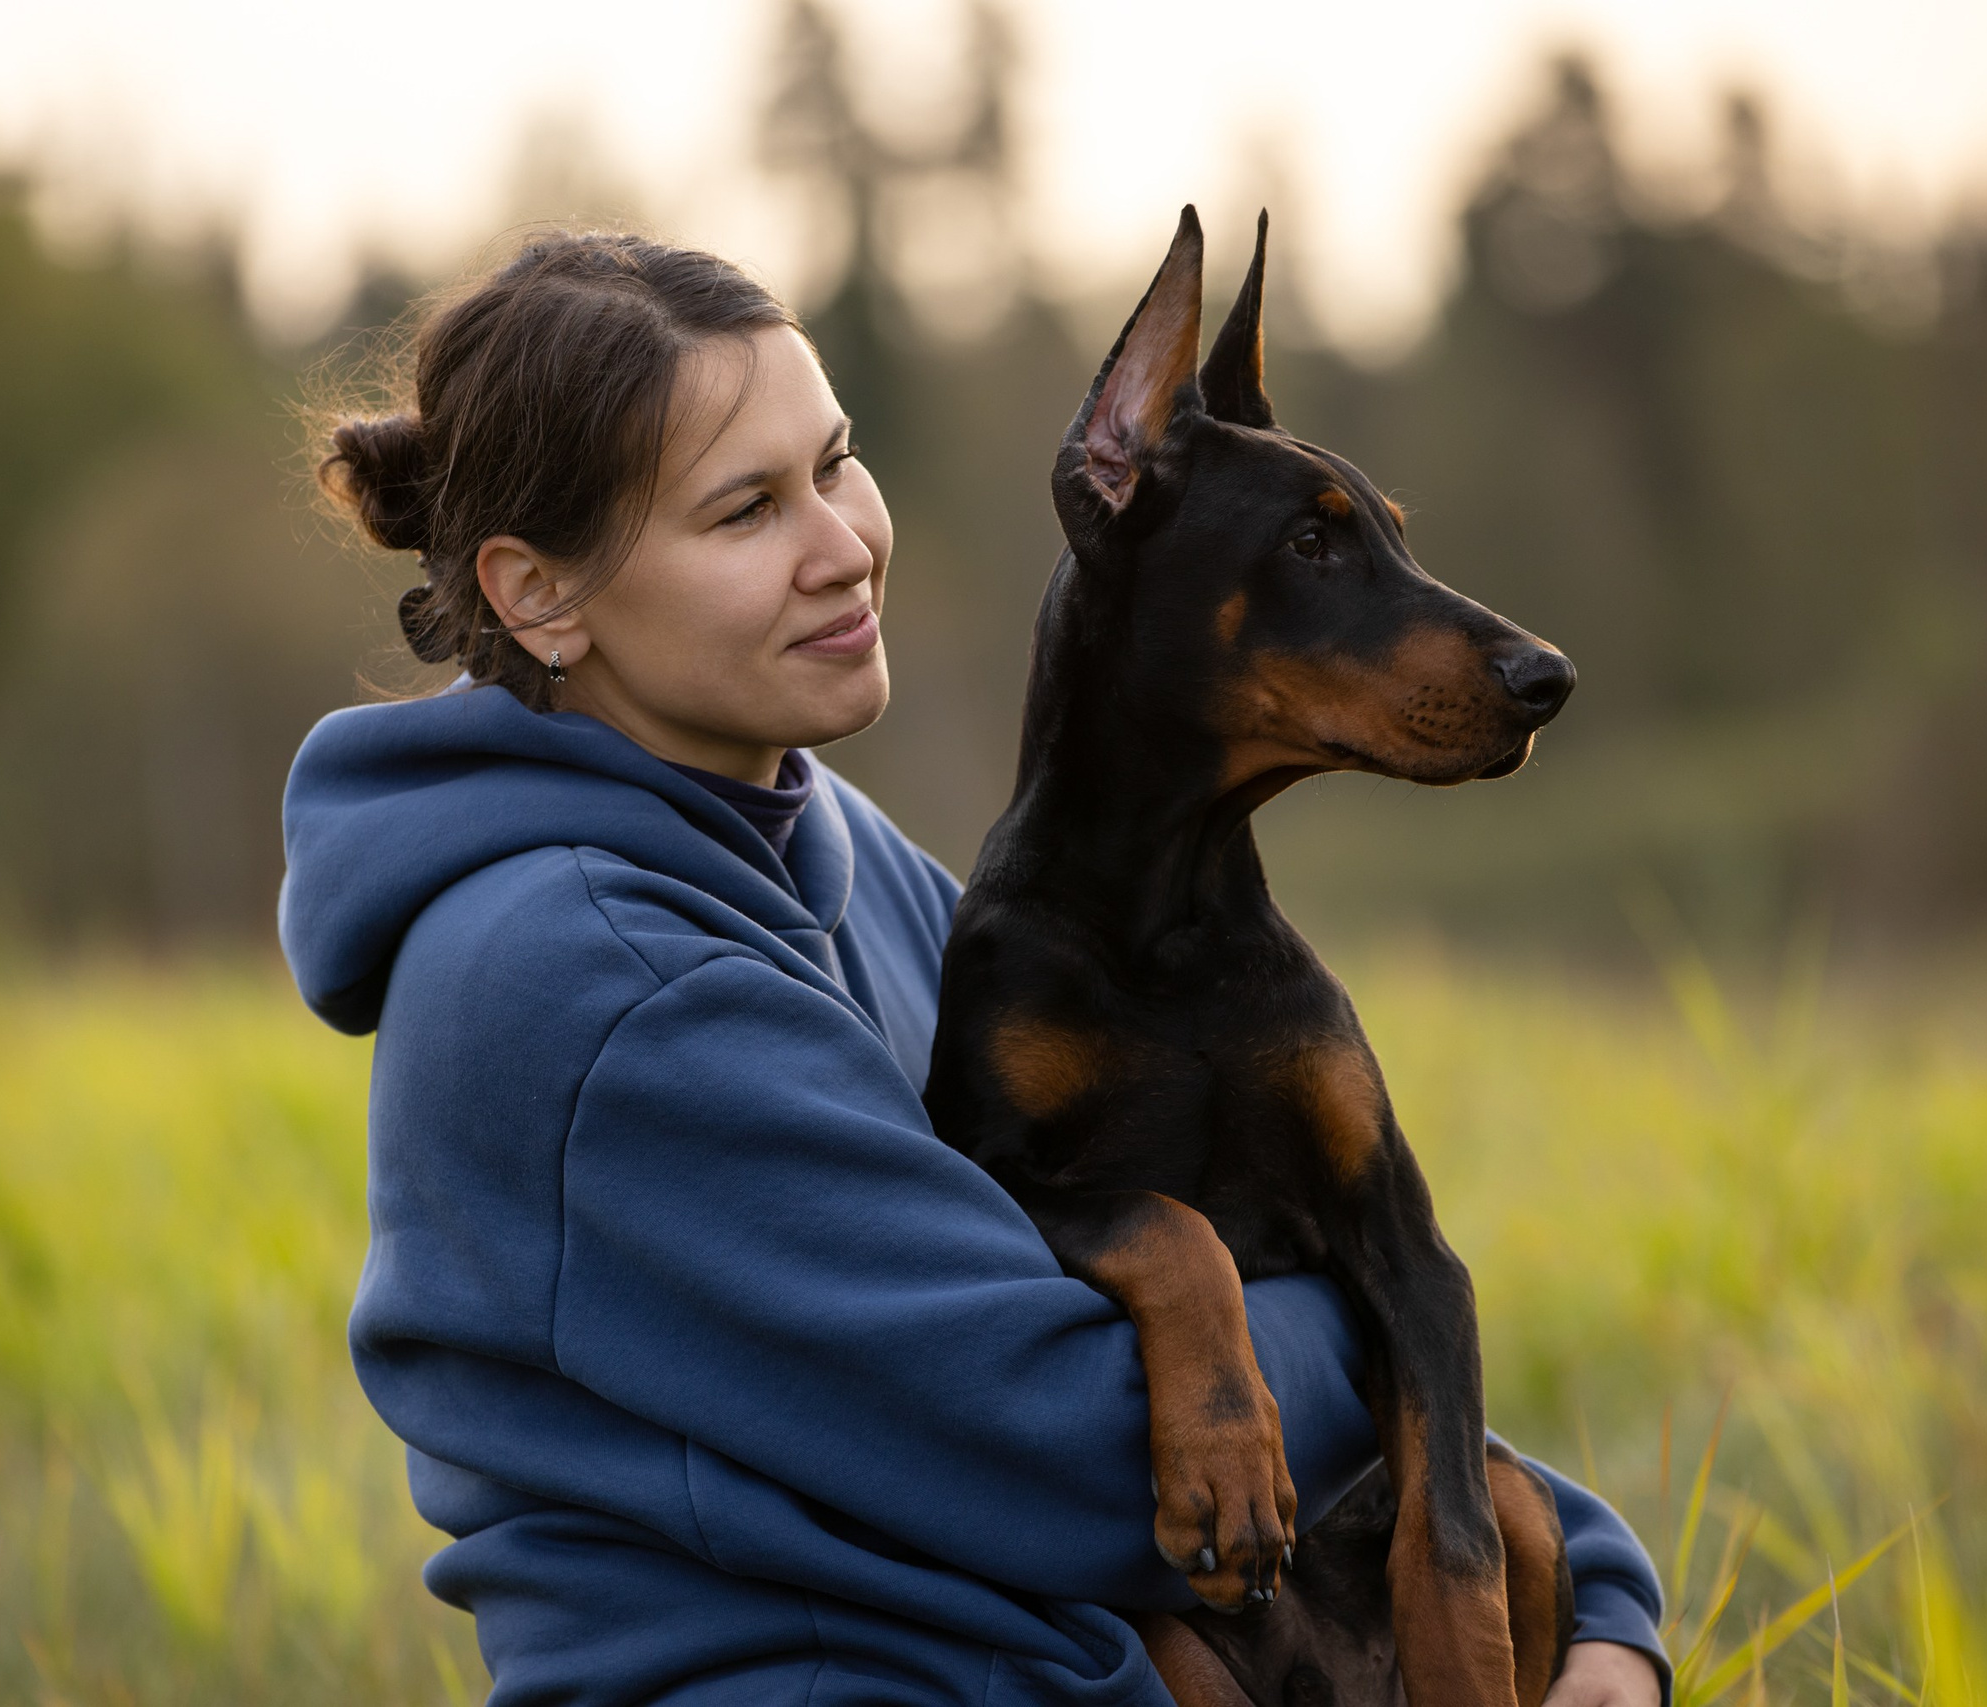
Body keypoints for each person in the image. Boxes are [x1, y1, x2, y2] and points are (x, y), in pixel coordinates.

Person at [282, 230, 1668, 1707]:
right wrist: (1391, 1301)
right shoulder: (586, 985)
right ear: (539, 596)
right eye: (747, 511)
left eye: (837, 461)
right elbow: (1072, 1458)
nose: (844, 545)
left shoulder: (831, 844)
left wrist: (1589, 1603)